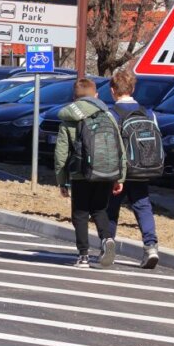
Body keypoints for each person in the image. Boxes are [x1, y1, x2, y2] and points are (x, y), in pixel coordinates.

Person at [55, 78, 124, 269]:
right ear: (96, 95)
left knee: (80, 213)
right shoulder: (108, 116)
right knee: (100, 210)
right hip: (107, 171)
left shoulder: (69, 118)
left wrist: (62, 182)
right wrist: (120, 176)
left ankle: (83, 256)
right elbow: (120, 148)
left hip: (80, 174)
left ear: (74, 97)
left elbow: (61, 154)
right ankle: (107, 239)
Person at [107, 69, 160, 268]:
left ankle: (108, 245)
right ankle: (150, 246)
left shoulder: (111, 114)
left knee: (111, 207)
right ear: (133, 88)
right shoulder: (148, 113)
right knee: (143, 205)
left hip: (118, 170)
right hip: (142, 167)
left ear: (113, 90)